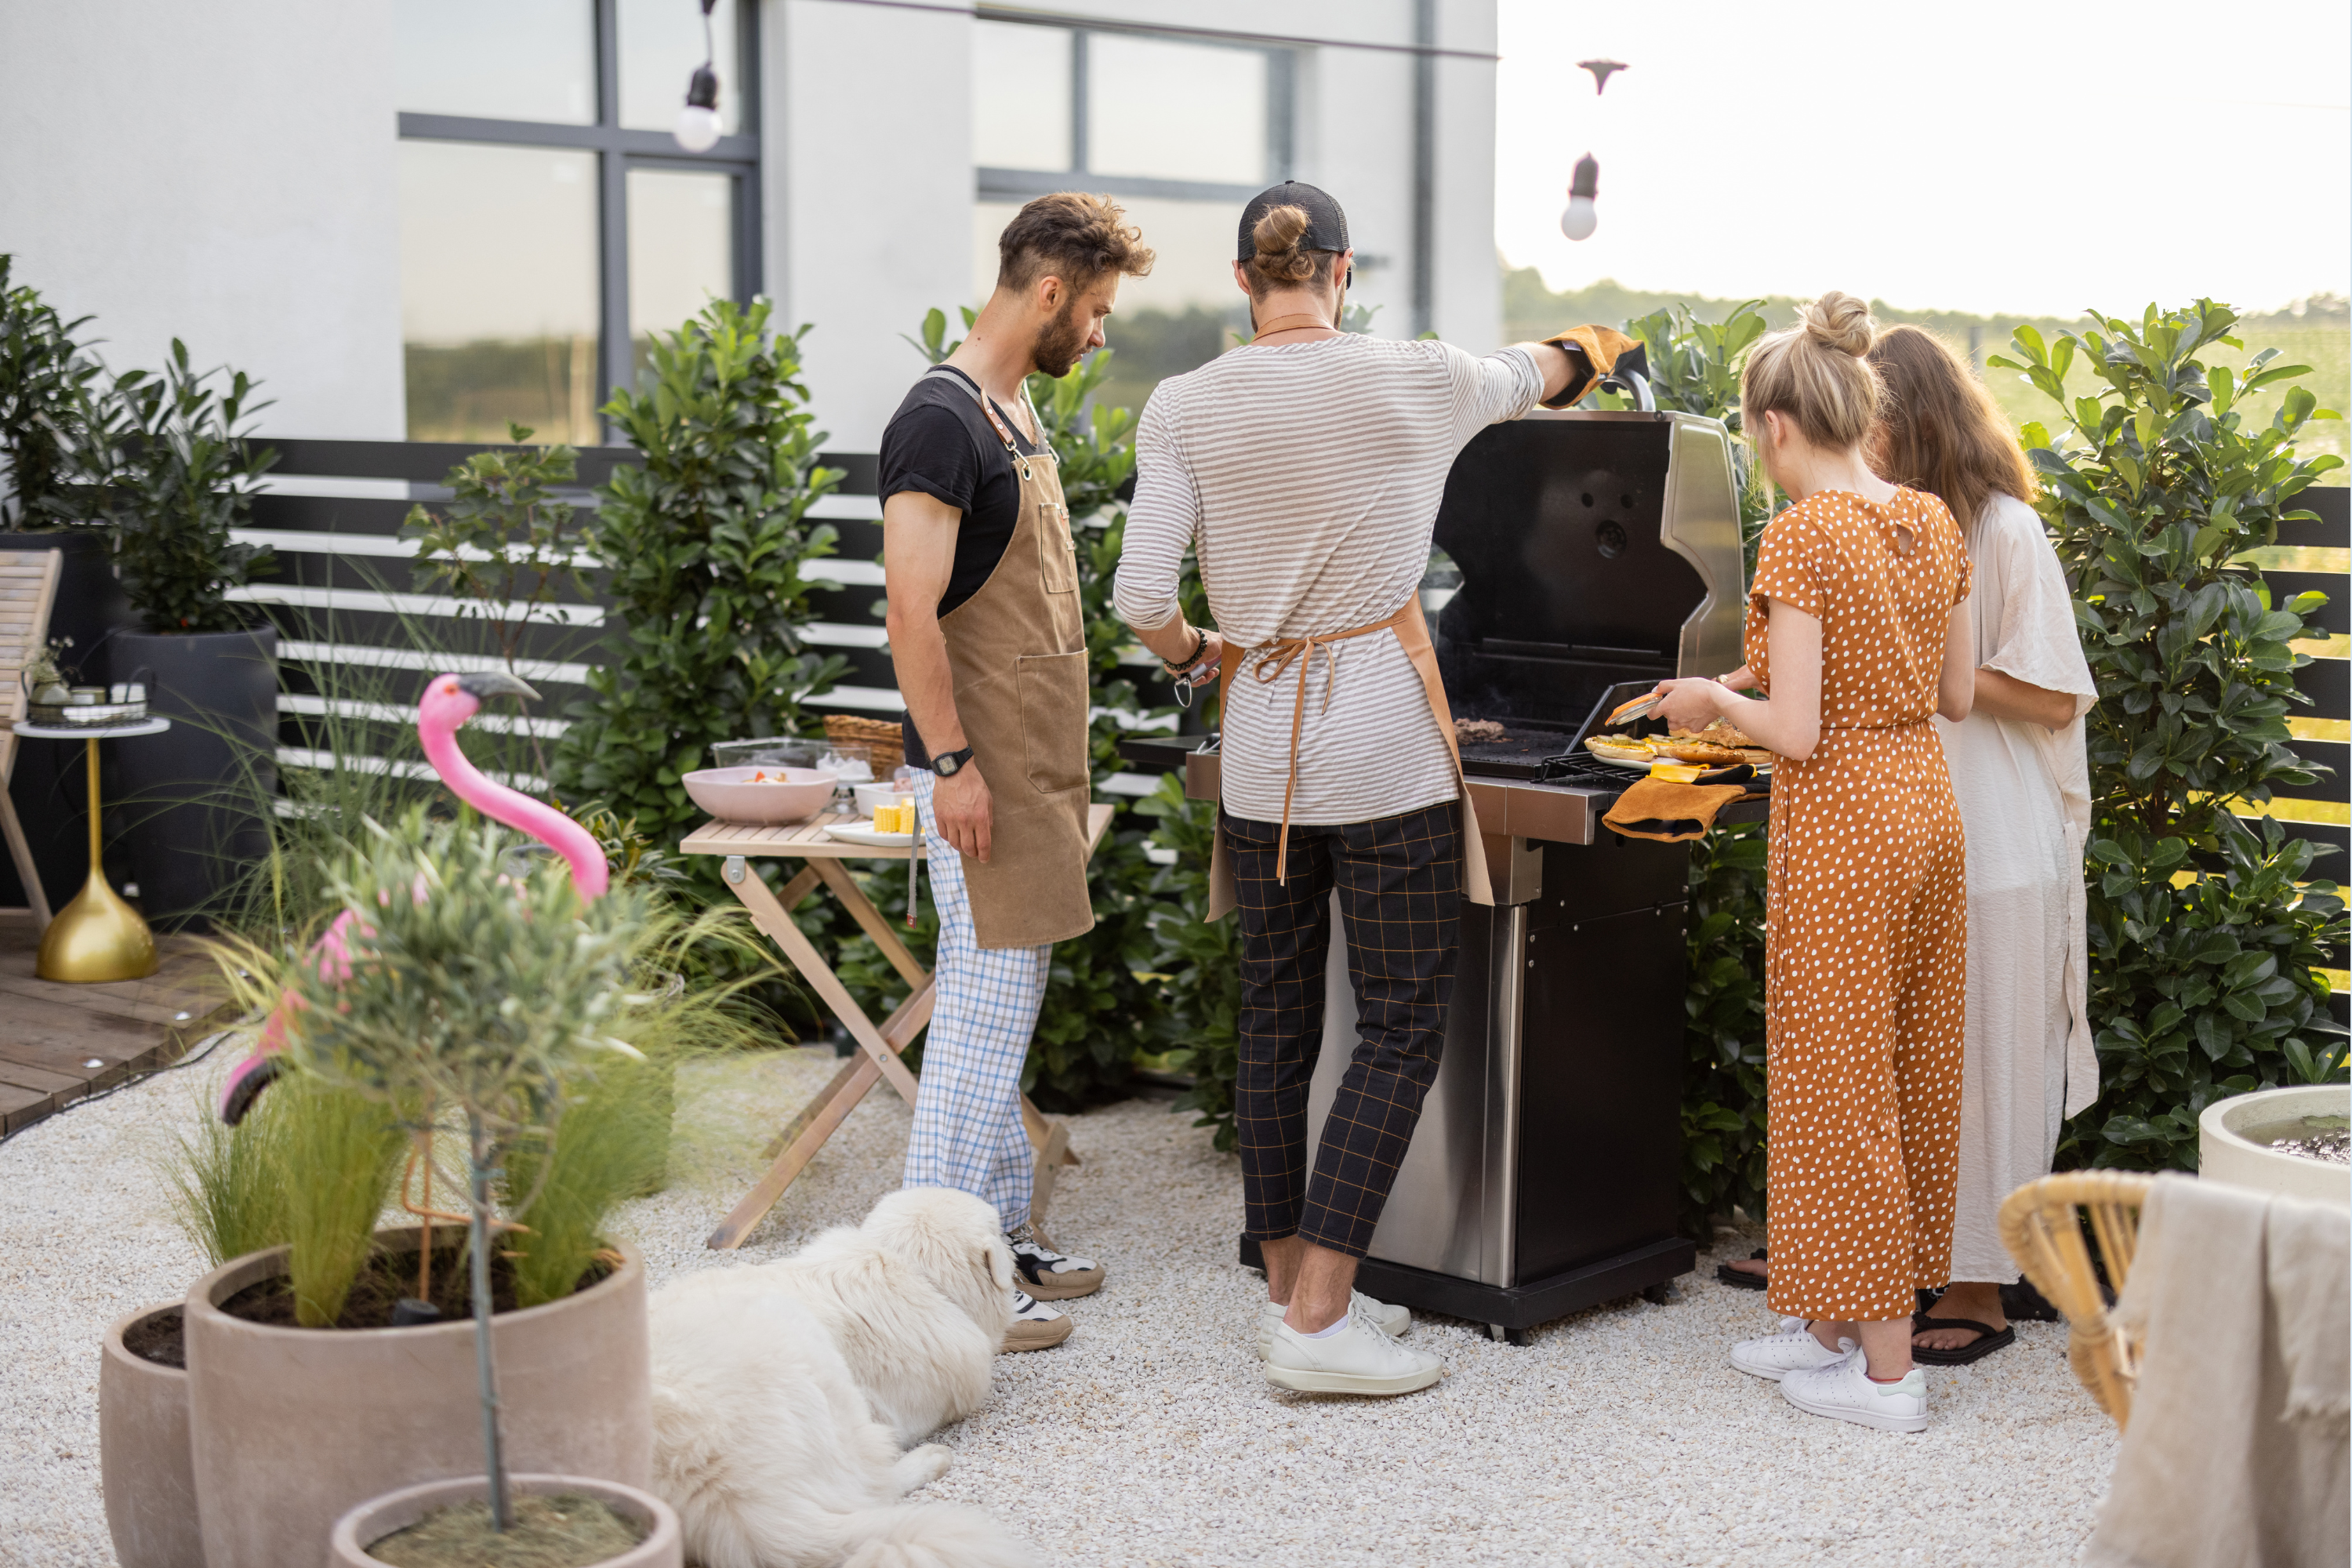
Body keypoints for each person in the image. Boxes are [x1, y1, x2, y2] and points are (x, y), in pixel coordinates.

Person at [1112, 181, 1595, 1398]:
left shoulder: (1185, 402)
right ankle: (1320, 1319)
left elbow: (1136, 599)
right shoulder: (1419, 377)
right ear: (1340, 270)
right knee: (1399, 1025)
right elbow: (1533, 370)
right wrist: (1594, 345)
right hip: (1383, 752)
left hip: (1263, 746)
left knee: (1276, 1019)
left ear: (1243, 281)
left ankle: (1291, 1288)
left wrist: (1199, 655)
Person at [1649, 292, 1975, 1432]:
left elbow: (1796, 731)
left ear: (1776, 423)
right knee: (1908, 1066)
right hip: (1926, 805)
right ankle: (1831, 1326)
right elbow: (1955, 693)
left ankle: (1885, 1376)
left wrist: (1704, 698)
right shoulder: (1931, 520)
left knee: (1841, 1085)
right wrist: (1766, 690)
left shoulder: (1799, 532)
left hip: (1843, 825)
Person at [880, 192, 1155, 1352]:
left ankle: (997, 1236)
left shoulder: (1013, 412)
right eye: (1094, 311)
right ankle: (939, 1290)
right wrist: (950, 765)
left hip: (1031, 775)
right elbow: (910, 610)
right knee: (978, 1036)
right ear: (1048, 293)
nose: (1100, 333)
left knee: (1005, 1014)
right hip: (978, 777)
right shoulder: (940, 421)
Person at [1868, 325, 2097, 1363]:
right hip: (1905, 829)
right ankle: (1899, 1263)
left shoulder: (2005, 530)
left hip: (1999, 837)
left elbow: (2054, 694)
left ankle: (1982, 1288)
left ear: (1915, 421)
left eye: (1867, 418)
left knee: (1995, 1059)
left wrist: (1926, 667)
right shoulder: (1872, 525)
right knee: (1907, 1058)